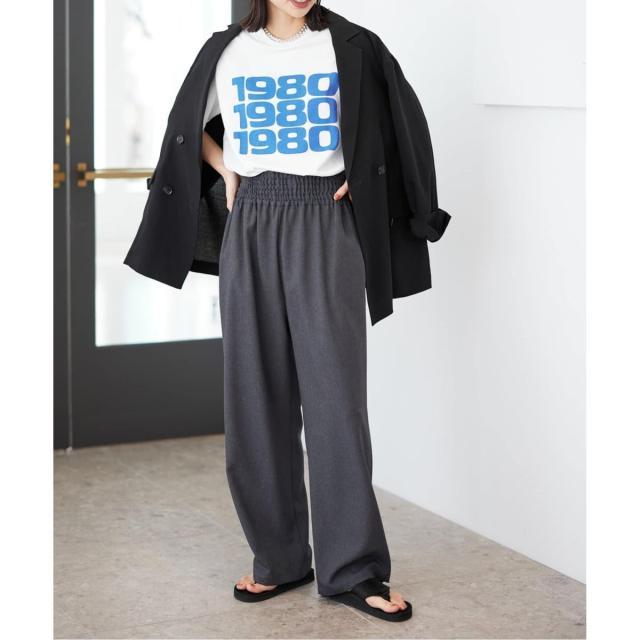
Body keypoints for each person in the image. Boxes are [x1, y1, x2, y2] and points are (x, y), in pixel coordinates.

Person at [125, 0, 452, 624]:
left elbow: (400, 127)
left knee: (335, 399)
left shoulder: (354, 46)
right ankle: (278, 558)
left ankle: (353, 569)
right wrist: (227, 169)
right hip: (251, 215)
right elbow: (184, 124)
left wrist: (366, 177)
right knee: (254, 394)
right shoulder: (227, 51)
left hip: (327, 217)